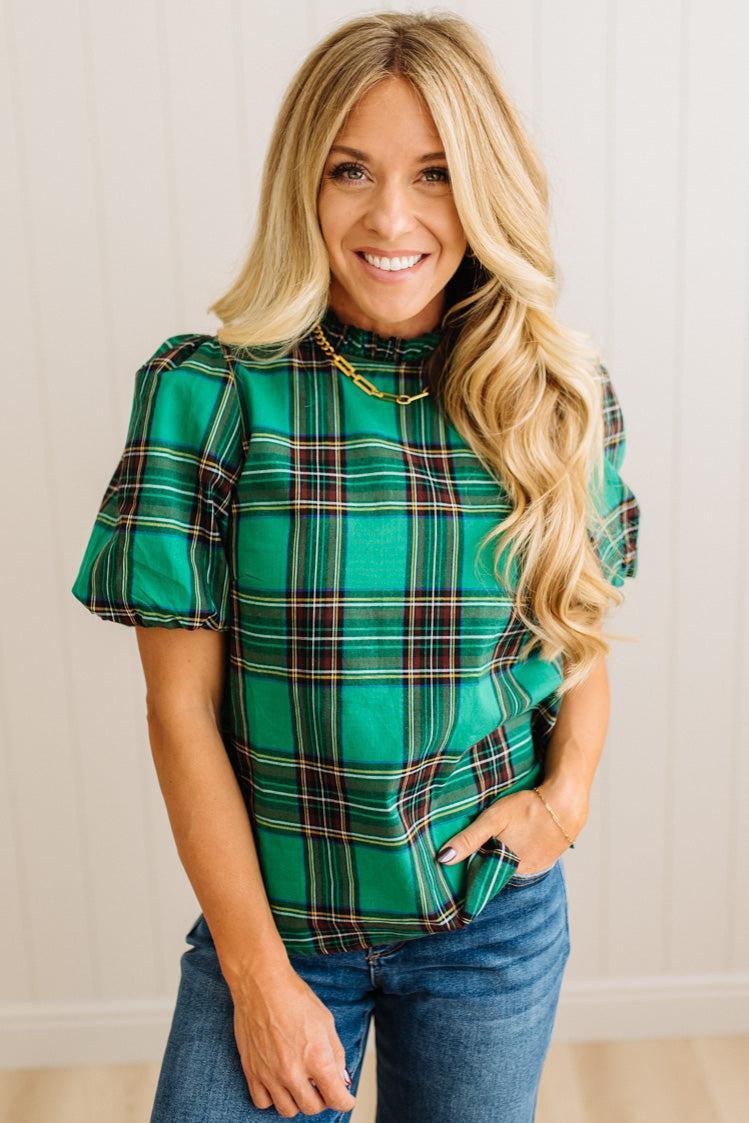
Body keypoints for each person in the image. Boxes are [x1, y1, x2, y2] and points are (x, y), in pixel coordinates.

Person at [70, 10, 641, 1122]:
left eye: (435, 174)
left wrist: (563, 801)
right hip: (276, 927)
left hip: (488, 923)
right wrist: (256, 978)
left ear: (484, 187)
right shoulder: (209, 394)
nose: (390, 217)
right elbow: (178, 710)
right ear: (304, 183)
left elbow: (576, 644)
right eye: (351, 171)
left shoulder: (552, 396)